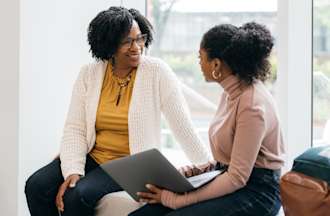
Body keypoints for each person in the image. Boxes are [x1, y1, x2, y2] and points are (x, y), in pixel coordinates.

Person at [24, 6, 211, 216]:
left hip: (130, 163)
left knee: (77, 195)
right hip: (93, 156)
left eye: (140, 38)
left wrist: (210, 169)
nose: (136, 47)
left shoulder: (156, 71)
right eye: (127, 41)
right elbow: (75, 127)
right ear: (109, 45)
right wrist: (74, 170)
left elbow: (182, 127)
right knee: (36, 185)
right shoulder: (89, 74)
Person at [131, 22, 285, 216]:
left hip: (258, 192)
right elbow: (226, 161)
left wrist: (177, 200)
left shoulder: (252, 104)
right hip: (228, 177)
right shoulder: (230, 93)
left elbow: (237, 177)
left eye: (200, 57)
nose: (199, 63)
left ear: (216, 64)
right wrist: (186, 173)